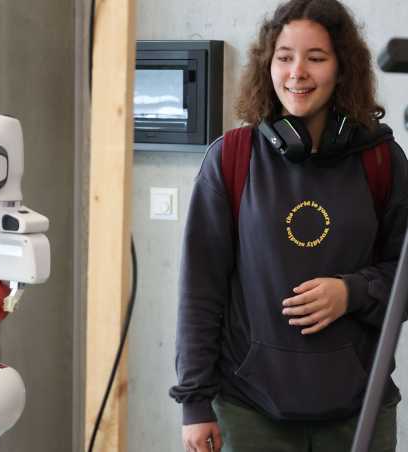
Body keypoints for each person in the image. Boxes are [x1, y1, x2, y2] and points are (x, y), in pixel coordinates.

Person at [168, 1, 408, 451]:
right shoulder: (231, 158)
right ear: (268, 65)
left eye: (316, 57)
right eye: (284, 57)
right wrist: (194, 404)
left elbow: (407, 272)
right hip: (249, 411)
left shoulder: (382, 161)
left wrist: (353, 292)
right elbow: (200, 290)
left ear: (342, 68)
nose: (297, 72)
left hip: (361, 410)